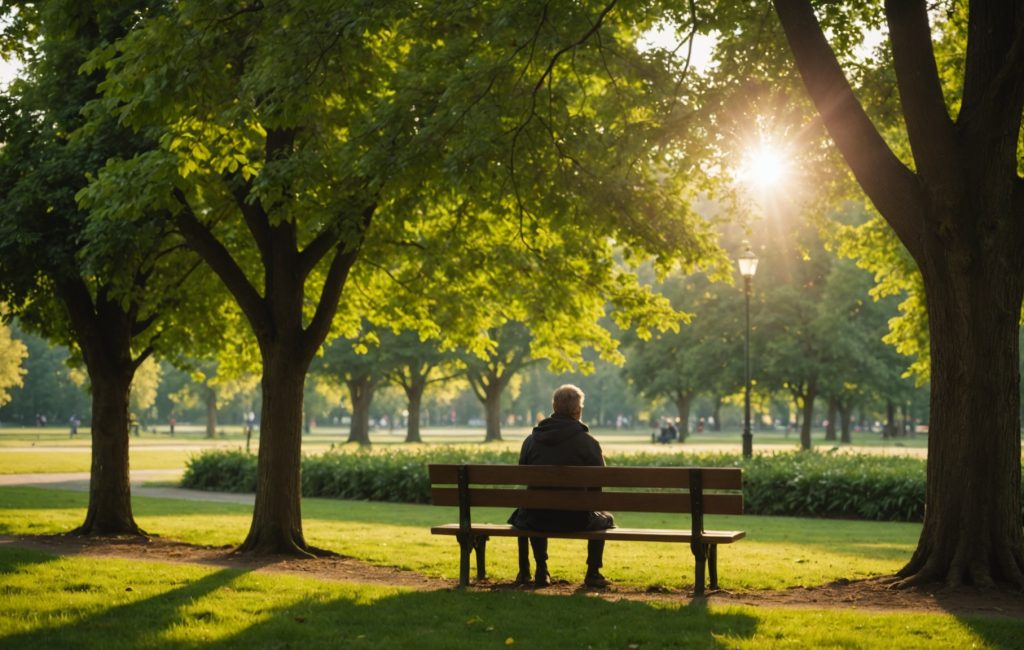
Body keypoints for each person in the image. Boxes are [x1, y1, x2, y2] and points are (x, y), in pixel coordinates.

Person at [508, 384, 614, 588]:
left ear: (554, 408)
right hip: (576, 519)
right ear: (577, 411)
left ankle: (540, 569)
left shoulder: (531, 440)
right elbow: (598, 485)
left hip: (536, 518)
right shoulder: (588, 442)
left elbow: (524, 475)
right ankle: (592, 572)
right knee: (606, 517)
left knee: (527, 510)